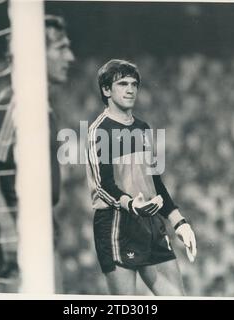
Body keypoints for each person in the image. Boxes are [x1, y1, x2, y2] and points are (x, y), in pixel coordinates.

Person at [0, 15, 74, 285]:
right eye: (62, 48)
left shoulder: (44, 107)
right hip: (18, 226)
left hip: (40, 225)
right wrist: (6, 227)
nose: (71, 57)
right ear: (37, 54)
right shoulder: (17, 101)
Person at [86, 59, 197, 295]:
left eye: (134, 84)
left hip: (150, 222)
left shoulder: (143, 128)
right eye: (122, 83)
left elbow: (155, 181)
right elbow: (103, 186)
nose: (130, 89)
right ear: (106, 90)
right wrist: (131, 204)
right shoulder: (100, 130)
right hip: (117, 223)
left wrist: (179, 221)